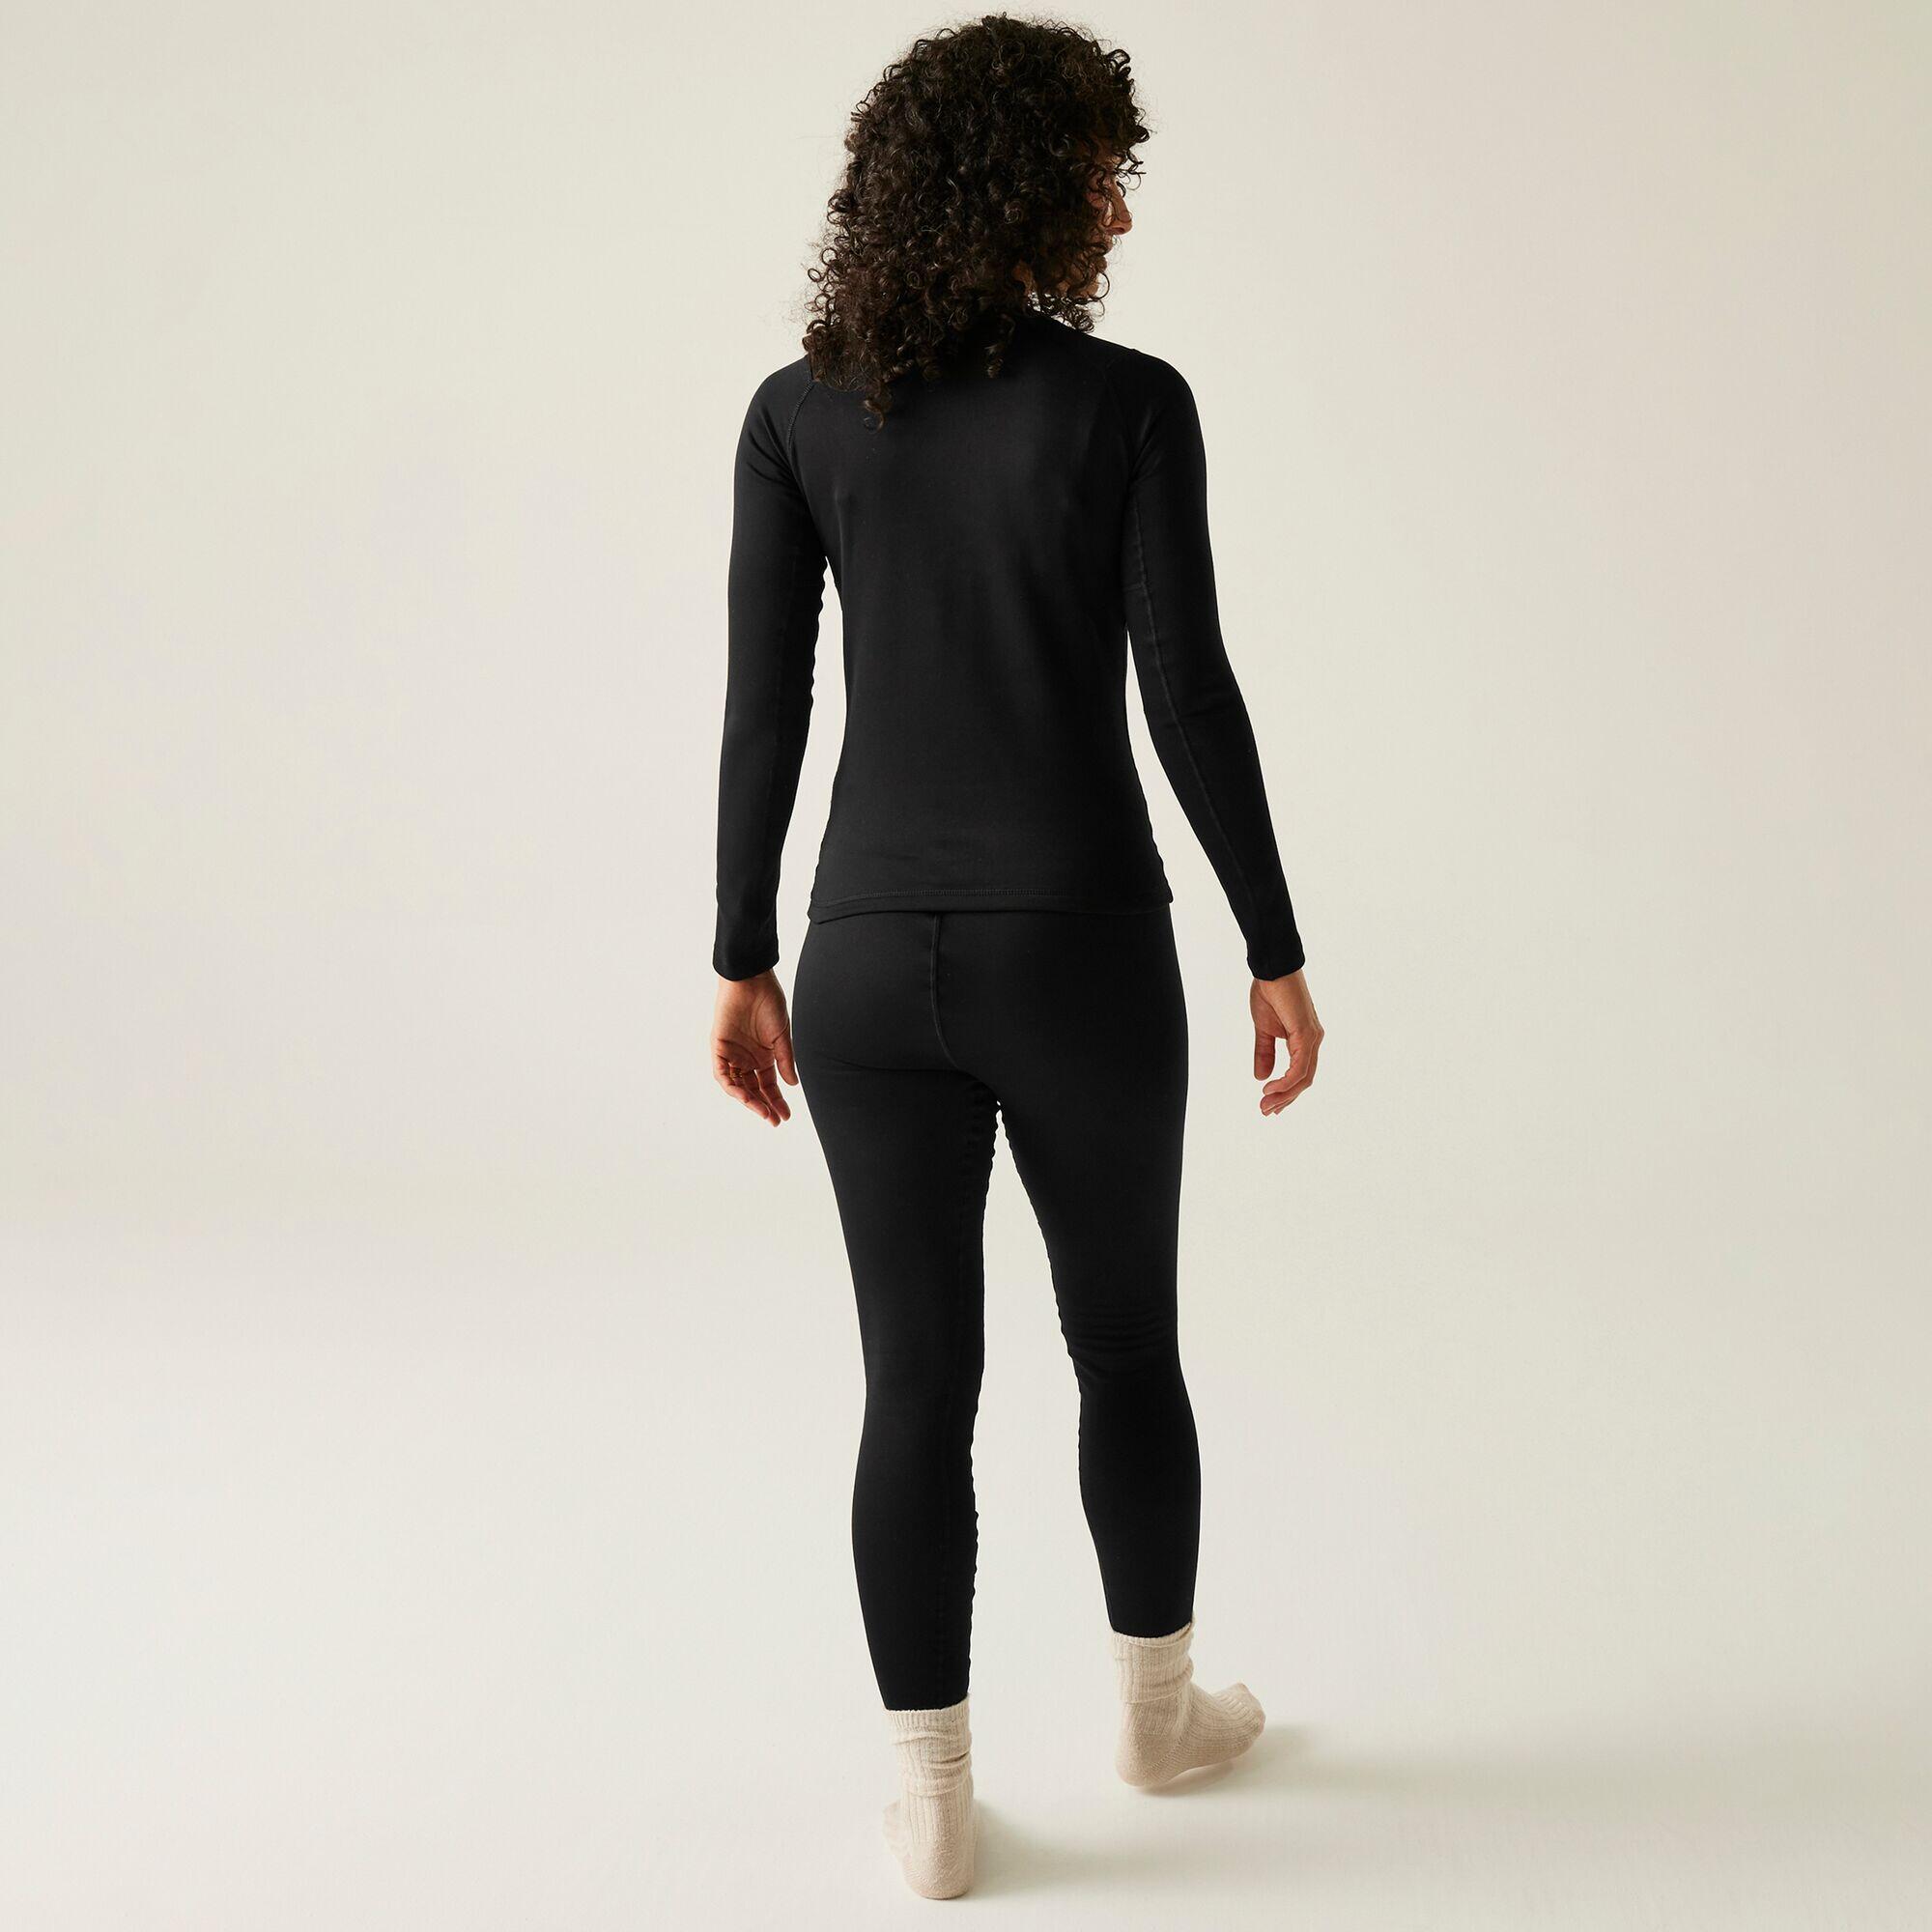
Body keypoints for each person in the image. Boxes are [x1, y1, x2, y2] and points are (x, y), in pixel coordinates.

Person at [708, 14, 1322, 1899]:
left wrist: (742, 951)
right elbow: (1188, 691)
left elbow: (765, 707)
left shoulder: (799, 412)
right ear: (1029, 185)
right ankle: (1159, 1718)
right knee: (1123, 1344)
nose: (1119, 207)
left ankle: (931, 1806)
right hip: (1078, 949)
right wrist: (1273, 940)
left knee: (914, 1383)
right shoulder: (1128, 403)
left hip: (862, 960)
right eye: (1100, 172)